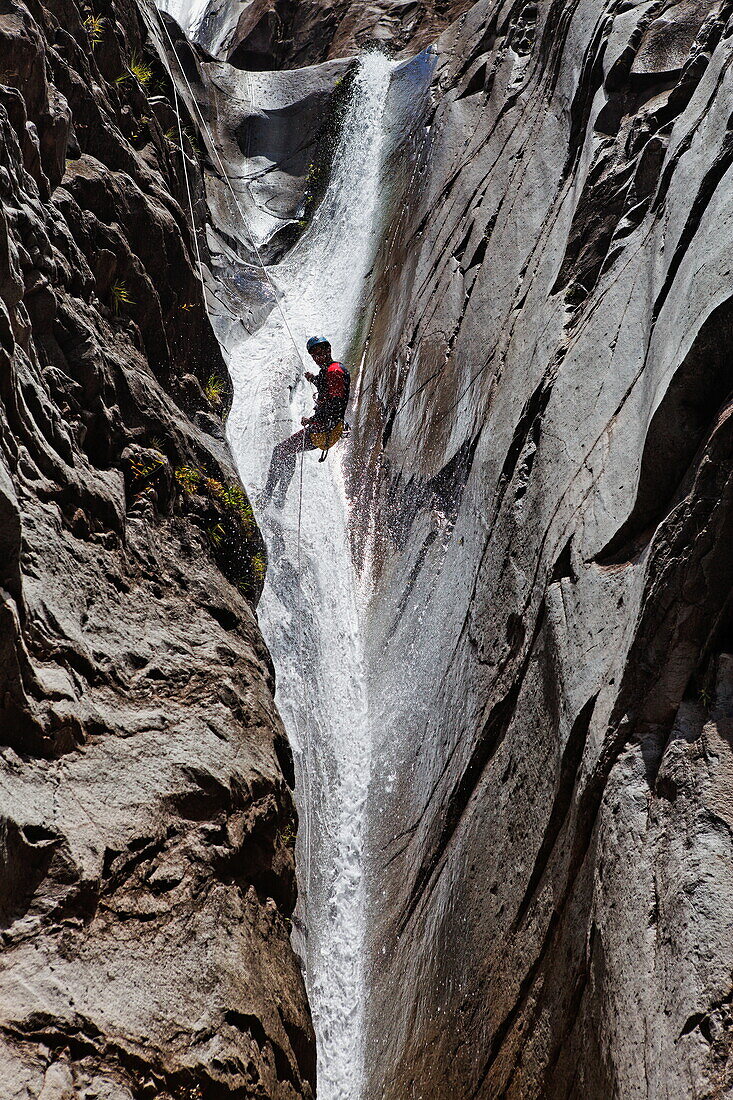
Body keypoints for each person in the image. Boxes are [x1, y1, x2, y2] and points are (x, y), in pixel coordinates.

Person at [261, 337, 351, 507]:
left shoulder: (334, 372)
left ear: (328, 349)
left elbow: (335, 406)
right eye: (314, 355)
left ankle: (268, 496)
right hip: (326, 429)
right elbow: (326, 387)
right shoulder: (330, 370)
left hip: (322, 430)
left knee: (279, 451)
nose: (317, 358)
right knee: (287, 451)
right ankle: (279, 496)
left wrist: (312, 419)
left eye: (320, 352)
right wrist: (313, 379)